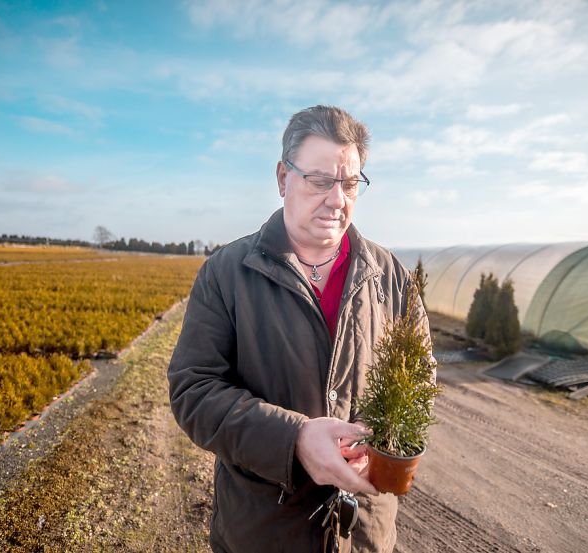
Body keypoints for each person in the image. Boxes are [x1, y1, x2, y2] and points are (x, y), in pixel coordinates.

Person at [167, 105, 431, 552]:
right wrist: (294, 439)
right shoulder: (228, 273)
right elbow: (194, 390)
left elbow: (420, 372)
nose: (337, 199)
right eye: (320, 180)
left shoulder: (390, 277)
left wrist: (384, 429)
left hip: (363, 533)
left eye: (349, 184)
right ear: (282, 177)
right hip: (264, 531)